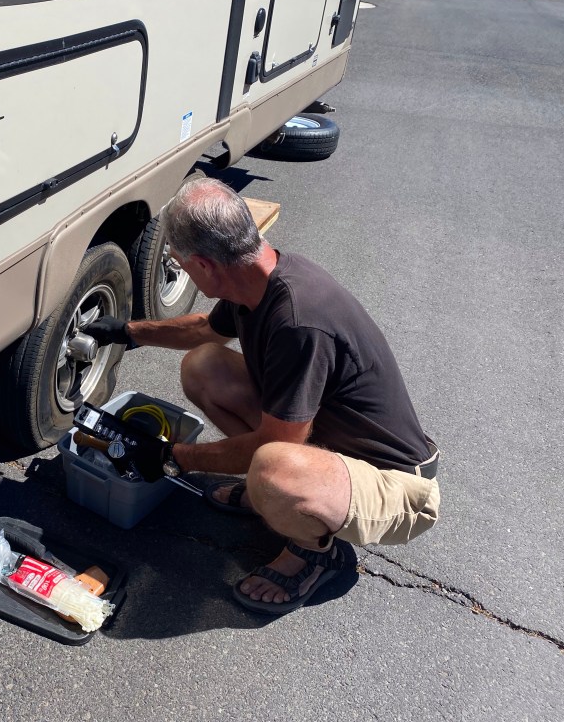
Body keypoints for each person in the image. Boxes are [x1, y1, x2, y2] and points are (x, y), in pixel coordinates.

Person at [82, 177, 440, 615]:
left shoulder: (298, 321)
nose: (182, 271)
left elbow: (278, 444)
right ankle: (272, 495)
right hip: (330, 445)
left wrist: (174, 457)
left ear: (205, 265)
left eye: (181, 263)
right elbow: (204, 330)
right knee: (204, 366)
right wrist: (127, 332)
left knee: (273, 467)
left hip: (397, 487)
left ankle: (312, 553)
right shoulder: (257, 277)